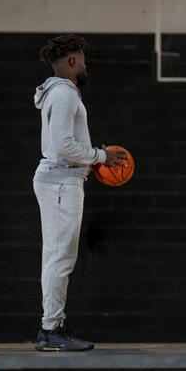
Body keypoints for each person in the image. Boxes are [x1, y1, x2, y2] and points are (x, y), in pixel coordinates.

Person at [32, 34, 127, 351]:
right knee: (60, 258)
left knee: (56, 257)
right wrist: (100, 157)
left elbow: (63, 144)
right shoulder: (65, 95)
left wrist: (91, 156)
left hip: (59, 179)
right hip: (61, 181)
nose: (85, 66)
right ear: (73, 61)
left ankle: (52, 325)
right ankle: (51, 329)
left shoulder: (55, 93)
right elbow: (62, 146)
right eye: (83, 60)